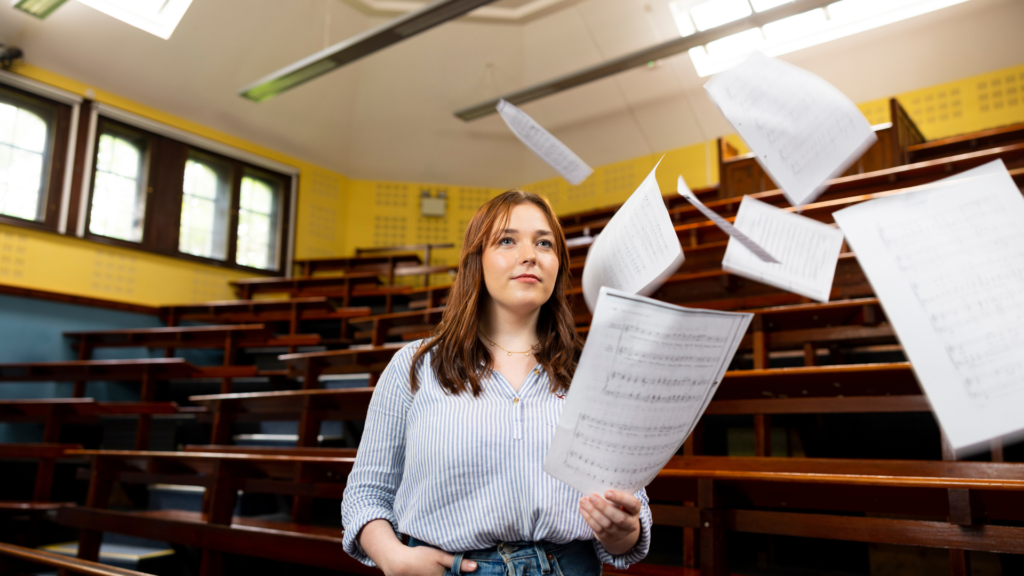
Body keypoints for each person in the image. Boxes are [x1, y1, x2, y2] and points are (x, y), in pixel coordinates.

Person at [342, 190, 652, 575]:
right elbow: (367, 494)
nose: (530, 255)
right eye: (507, 240)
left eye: (544, 243)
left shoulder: (593, 371)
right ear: (477, 260)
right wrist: (394, 557)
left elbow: (630, 509)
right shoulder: (416, 366)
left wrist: (622, 531)